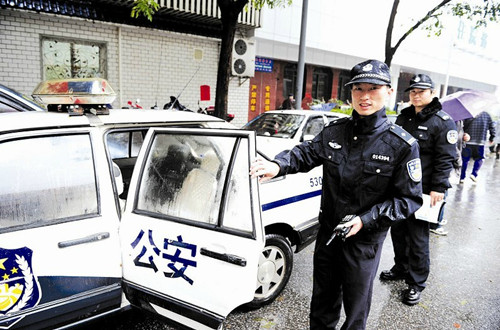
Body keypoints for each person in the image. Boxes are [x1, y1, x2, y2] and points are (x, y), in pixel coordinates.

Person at [250, 59, 423, 329]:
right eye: (358, 89)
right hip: (329, 234)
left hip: (364, 241)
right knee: (322, 304)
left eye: (373, 88)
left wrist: (365, 220)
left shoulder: (401, 144)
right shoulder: (334, 131)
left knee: (355, 311)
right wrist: (277, 164)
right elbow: (305, 153)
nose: (364, 96)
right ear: (350, 93)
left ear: (389, 91)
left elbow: (408, 200)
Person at [380, 74, 457, 304]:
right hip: (399, 186)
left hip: (424, 191)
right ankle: (401, 268)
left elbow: (446, 158)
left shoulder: (443, 122)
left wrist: (439, 187)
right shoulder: (404, 117)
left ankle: (416, 282)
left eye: (421, 91)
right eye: (413, 91)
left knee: (418, 238)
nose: (416, 95)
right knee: (399, 232)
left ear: (432, 93)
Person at [460, 111, 496, 182]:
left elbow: (462, 126)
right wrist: (492, 137)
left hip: (468, 141)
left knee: (465, 160)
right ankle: (474, 174)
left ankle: (462, 177)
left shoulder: (468, 114)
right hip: (480, 142)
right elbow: (492, 127)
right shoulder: (487, 115)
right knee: (479, 159)